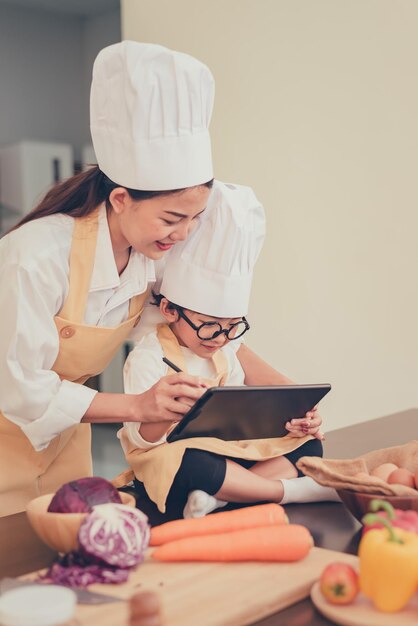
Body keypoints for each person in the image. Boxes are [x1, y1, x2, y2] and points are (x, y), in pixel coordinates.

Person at [0, 40, 217, 516]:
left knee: (69, 557)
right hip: (4, 440)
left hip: (65, 442)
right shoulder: (35, 256)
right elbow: (20, 388)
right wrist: (138, 405)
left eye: (194, 219)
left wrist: (288, 397)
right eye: (171, 218)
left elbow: (204, 321)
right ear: (121, 200)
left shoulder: (149, 257)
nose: (182, 234)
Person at [119, 181, 337, 518]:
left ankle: (219, 499)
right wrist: (169, 412)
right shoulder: (147, 357)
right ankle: (286, 493)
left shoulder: (228, 345)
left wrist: (304, 416)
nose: (220, 338)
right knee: (191, 460)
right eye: (208, 325)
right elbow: (143, 439)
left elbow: (279, 394)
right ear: (170, 310)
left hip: (228, 452)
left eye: (232, 326)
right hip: (174, 457)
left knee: (309, 445)